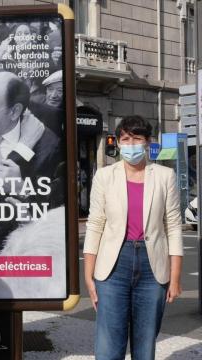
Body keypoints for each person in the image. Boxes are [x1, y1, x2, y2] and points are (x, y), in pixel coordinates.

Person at [83, 115, 183, 360]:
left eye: (136, 138)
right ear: (117, 142)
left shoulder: (163, 176)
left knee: (144, 344)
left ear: (147, 142)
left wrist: (175, 277)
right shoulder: (105, 176)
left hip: (152, 268)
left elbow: (173, 226)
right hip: (113, 265)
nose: (130, 144)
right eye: (125, 139)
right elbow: (95, 224)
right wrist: (89, 274)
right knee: (109, 346)